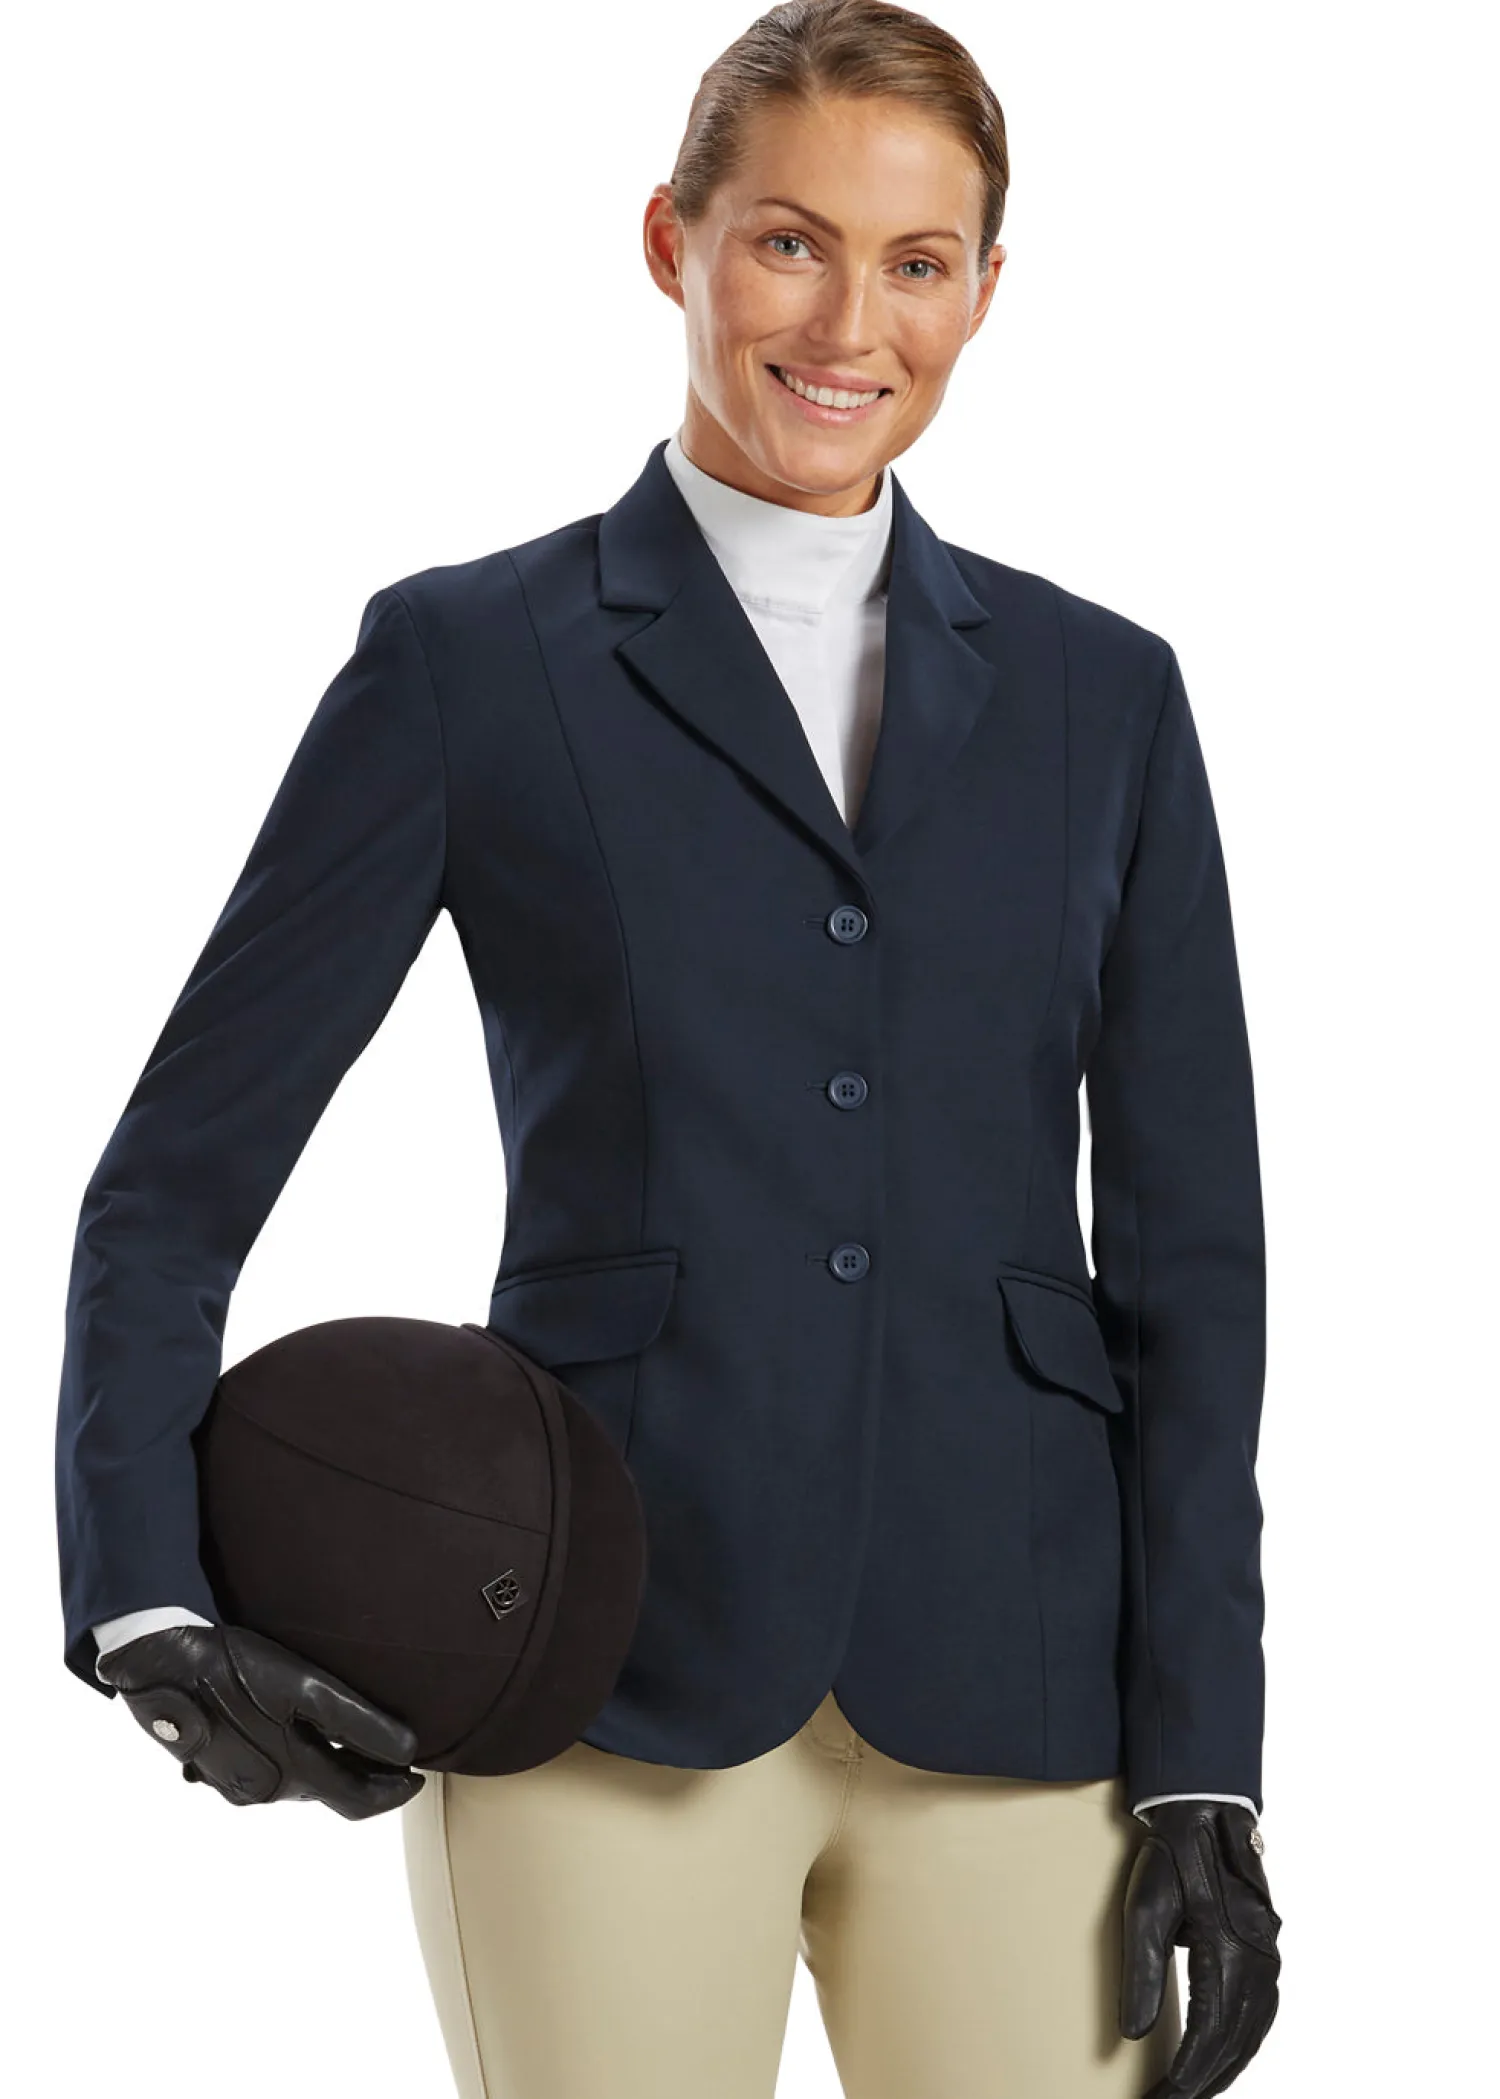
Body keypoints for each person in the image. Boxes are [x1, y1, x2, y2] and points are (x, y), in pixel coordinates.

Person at [55, 3, 1282, 2094]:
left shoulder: (1109, 697)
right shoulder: (470, 661)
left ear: (988, 289)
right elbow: (177, 1176)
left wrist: (1205, 1761)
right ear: (671, 241)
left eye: (916, 262)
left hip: (1023, 1675)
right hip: (593, 1660)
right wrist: (142, 1592)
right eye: (790, 241)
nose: (851, 324)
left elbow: (1193, 1266)